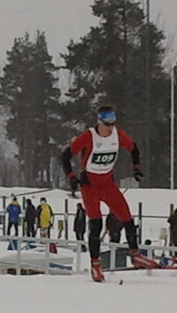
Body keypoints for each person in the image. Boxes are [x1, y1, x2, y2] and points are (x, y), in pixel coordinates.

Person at [60, 105, 152, 282]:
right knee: (96, 224)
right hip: (90, 187)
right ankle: (95, 265)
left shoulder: (118, 135)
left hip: (108, 185)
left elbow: (134, 148)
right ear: (100, 121)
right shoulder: (89, 136)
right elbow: (65, 155)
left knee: (127, 218)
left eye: (113, 120)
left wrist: (136, 168)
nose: (111, 126)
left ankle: (136, 255)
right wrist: (71, 177)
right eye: (107, 121)